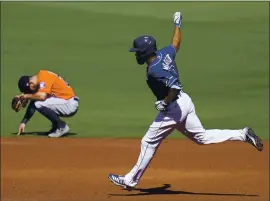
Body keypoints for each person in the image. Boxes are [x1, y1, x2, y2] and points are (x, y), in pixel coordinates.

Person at [108, 11, 263, 189]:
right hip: (185, 102)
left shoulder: (154, 71)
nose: (136, 55)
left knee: (148, 142)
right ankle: (242, 134)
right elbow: (176, 44)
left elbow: (175, 87)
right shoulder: (165, 53)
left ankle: (129, 180)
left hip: (173, 108)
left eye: (137, 52)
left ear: (144, 53)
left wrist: (164, 102)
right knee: (202, 137)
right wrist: (177, 24)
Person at [16, 70, 79, 138]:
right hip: (65, 102)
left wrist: (25, 96)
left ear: (31, 83)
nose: (30, 92)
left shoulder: (43, 77)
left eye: (29, 91)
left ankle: (61, 126)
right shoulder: (40, 79)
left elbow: (42, 97)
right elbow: (33, 102)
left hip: (68, 104)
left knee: (39, 103)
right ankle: (56, 127)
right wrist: (24, 122)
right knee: (37, 102)